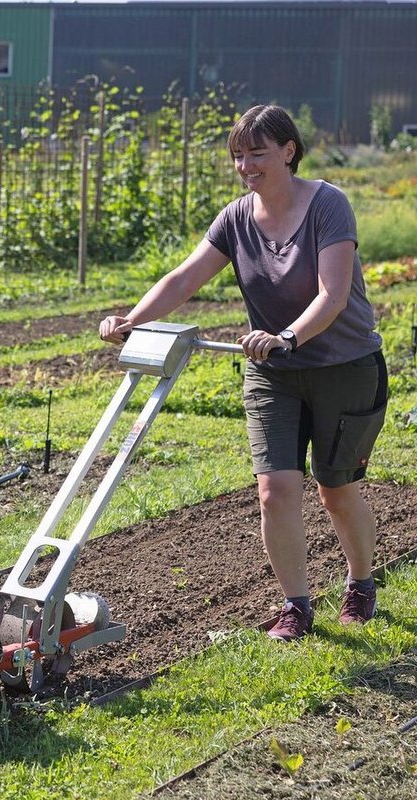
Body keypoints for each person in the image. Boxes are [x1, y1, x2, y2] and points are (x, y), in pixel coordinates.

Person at [98, 104, 388, 641]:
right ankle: (296, 606)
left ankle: (361, 582)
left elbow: (334, 293)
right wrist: (130, 320)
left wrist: (286, 337)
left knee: (335, 488)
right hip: (272, 372)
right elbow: (184, 278)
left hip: (343, 368)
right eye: (238, 155)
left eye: (257, 152)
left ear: (288, 151)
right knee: (275, 489)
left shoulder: (329, 205)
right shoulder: (235, 219)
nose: (246, 165)